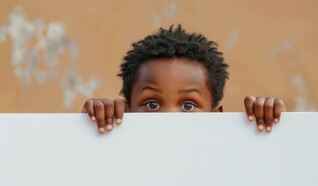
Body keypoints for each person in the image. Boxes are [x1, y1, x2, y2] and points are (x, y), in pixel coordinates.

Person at [82, 25, 286, 134]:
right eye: (152, 104)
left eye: (188, 105)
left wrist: (272, 127)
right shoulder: (119, 159)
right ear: (126, 112)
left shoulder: (226, 161)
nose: (169, 116)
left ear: (216, 116)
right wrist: (89, 130)